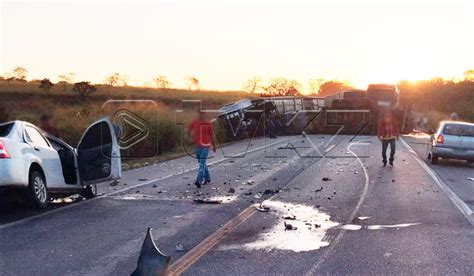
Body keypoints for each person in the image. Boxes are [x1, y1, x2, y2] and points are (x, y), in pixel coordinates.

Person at [188, 111, 216, 188]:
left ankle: (199, 180)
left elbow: (212, 135)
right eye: (200, 113)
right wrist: (189, 137)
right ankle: (207, 178)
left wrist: (214, 145)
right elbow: (189, 129)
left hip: (206, 146)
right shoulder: (195, 123)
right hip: (198, 146)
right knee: (201, 163)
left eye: (203, 114)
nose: (202, 115)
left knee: (201, 164)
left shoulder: (208, 124)